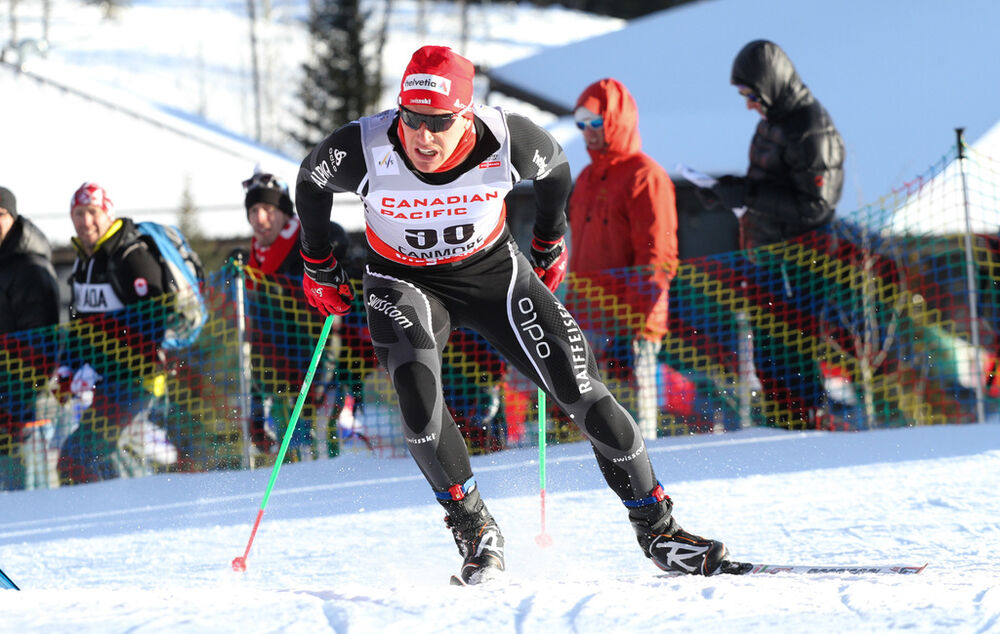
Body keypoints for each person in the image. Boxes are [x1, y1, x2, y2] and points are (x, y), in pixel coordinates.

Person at [295, 45, 745, 583]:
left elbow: (556, 171)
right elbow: (310, 181)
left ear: (465, 114)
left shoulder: (509, 138)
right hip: (402, 279)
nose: (422, 137)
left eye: (439, 123)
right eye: (412, 120)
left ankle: (659, 529)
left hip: (492, 275)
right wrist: (317, 261)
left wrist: (550, 240)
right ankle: (474, 526)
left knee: (581, 390)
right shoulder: (363, 145)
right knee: (417, 399)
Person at [703, 39, 845, 427]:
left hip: (800, 264)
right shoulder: (773, 122)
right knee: (768, 354)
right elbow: (769, 185)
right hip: (766, 256)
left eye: (751, 93)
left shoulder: (811, 127)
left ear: (770, 84)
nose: (748, 103)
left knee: (793, 352)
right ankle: (783, 429)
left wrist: (749, 193)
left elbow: (817, 204)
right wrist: (731, 189)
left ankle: (808, 426)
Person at [566, 78, 679, 440]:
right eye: (581, 125)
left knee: (633, 416)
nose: (588, 133)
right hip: (589, 319)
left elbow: (658, 253)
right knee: (592, 413)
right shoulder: (585, 178)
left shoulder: (646, 176)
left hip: (633, 320)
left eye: (596, 123)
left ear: (616, 120)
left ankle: (644, 479)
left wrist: (638, 317)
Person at [60, 182, 178, 483]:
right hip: (107, 382)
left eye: (92, 212)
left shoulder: (131, 256)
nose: (85, 221)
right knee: (97, 453)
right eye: (78, 213)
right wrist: (69, 367)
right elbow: (82, 325)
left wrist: (99, 368)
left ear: (107, 214)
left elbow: (153, 324)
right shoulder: (84, 260)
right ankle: (128, 511)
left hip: (137, 380)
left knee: (77, 455)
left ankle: (113, 516)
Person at [233, 171, 351, 456]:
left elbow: (331, 324)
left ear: (284, 212)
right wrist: (257, 409)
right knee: (293, 459)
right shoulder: (253, 264)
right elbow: (257, 341)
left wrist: (318, 387)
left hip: (322, 380)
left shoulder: (307, 247)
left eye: (269, 210)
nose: (261, 219)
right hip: (280, 386)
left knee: (325, 454)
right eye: (254, 211)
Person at [0, 186, 61, 489]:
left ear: (12, 217)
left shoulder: (29, 268)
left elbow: (40, 343)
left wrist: (23, 395)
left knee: (26, 493)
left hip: (23, 405)